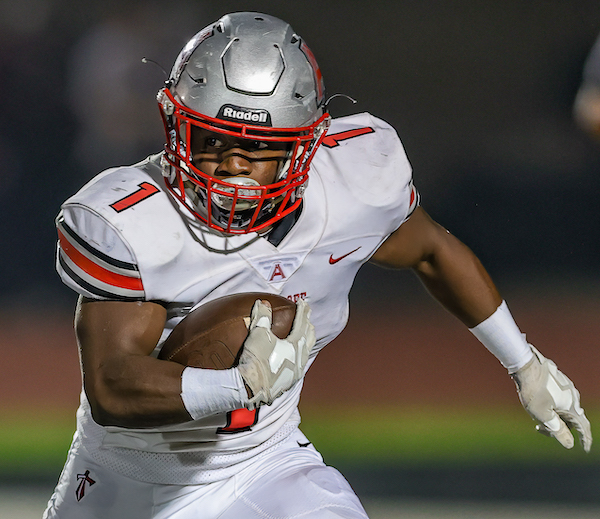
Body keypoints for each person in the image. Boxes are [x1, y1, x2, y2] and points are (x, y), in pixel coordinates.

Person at [44, 11, 592, 519]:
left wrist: (524, 363)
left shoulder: (351, 183)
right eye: (211, 138)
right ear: (174, 122)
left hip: (263, 461)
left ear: (306, 144)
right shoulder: (133, 221)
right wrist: (240, 385)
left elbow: (432, 250)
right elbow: (113, 389)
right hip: (131, 479)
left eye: (256, 146)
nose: (231, 164)